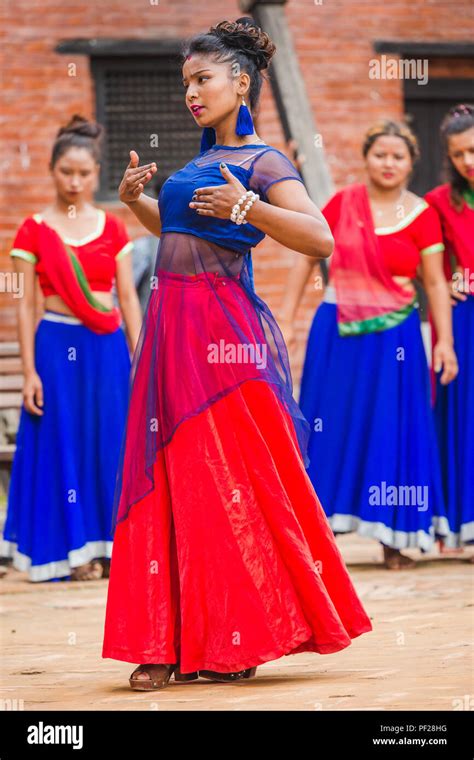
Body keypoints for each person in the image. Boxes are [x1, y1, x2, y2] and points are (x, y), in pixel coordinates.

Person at [102, 17, 373, 691]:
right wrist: (138, 205)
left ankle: (233, 635)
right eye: (186, 83)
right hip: (171, 328)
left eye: (203, 79)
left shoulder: (264, 161)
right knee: (165, 477)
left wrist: (249, 204)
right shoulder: (195, 164)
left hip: (222, 339)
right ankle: (161, 641)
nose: (191, 93)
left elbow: (319, 239)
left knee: (218, 478)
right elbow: (180, 232)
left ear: (242, 82)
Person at [280, 119, 458, 571]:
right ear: (367, 158)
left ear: (411, 163)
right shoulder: (342, 203)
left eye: (398, 157)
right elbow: (308, 257)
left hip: (395, 335)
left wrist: (446, 344)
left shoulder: (422, 215)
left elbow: (436, 284)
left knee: (392, 428)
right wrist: (287, 316)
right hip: (335, 330)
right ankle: (319, 535)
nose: (388, 163)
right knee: (327, 422)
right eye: (381, 155)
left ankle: (394, 537)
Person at [0, 115, 141, 582]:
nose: (75, 182)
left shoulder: (114, 228)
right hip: (56, 347)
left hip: (106, 349)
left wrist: (140, 358)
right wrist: (30, 373)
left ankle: (113, 545)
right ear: (51, 170)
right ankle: (75, 552)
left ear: (97, 173)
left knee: (110, 441)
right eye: (66, 172)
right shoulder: (33, 231)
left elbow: (128, 300)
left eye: (84, 173)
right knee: (63, 442)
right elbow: (24, 307)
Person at [425, 104, 474, 555]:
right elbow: (432, 269)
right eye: (459, 155)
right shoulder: (440, 201)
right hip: (465, 319)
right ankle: (461, 525)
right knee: (463, 416)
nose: (468, 162)